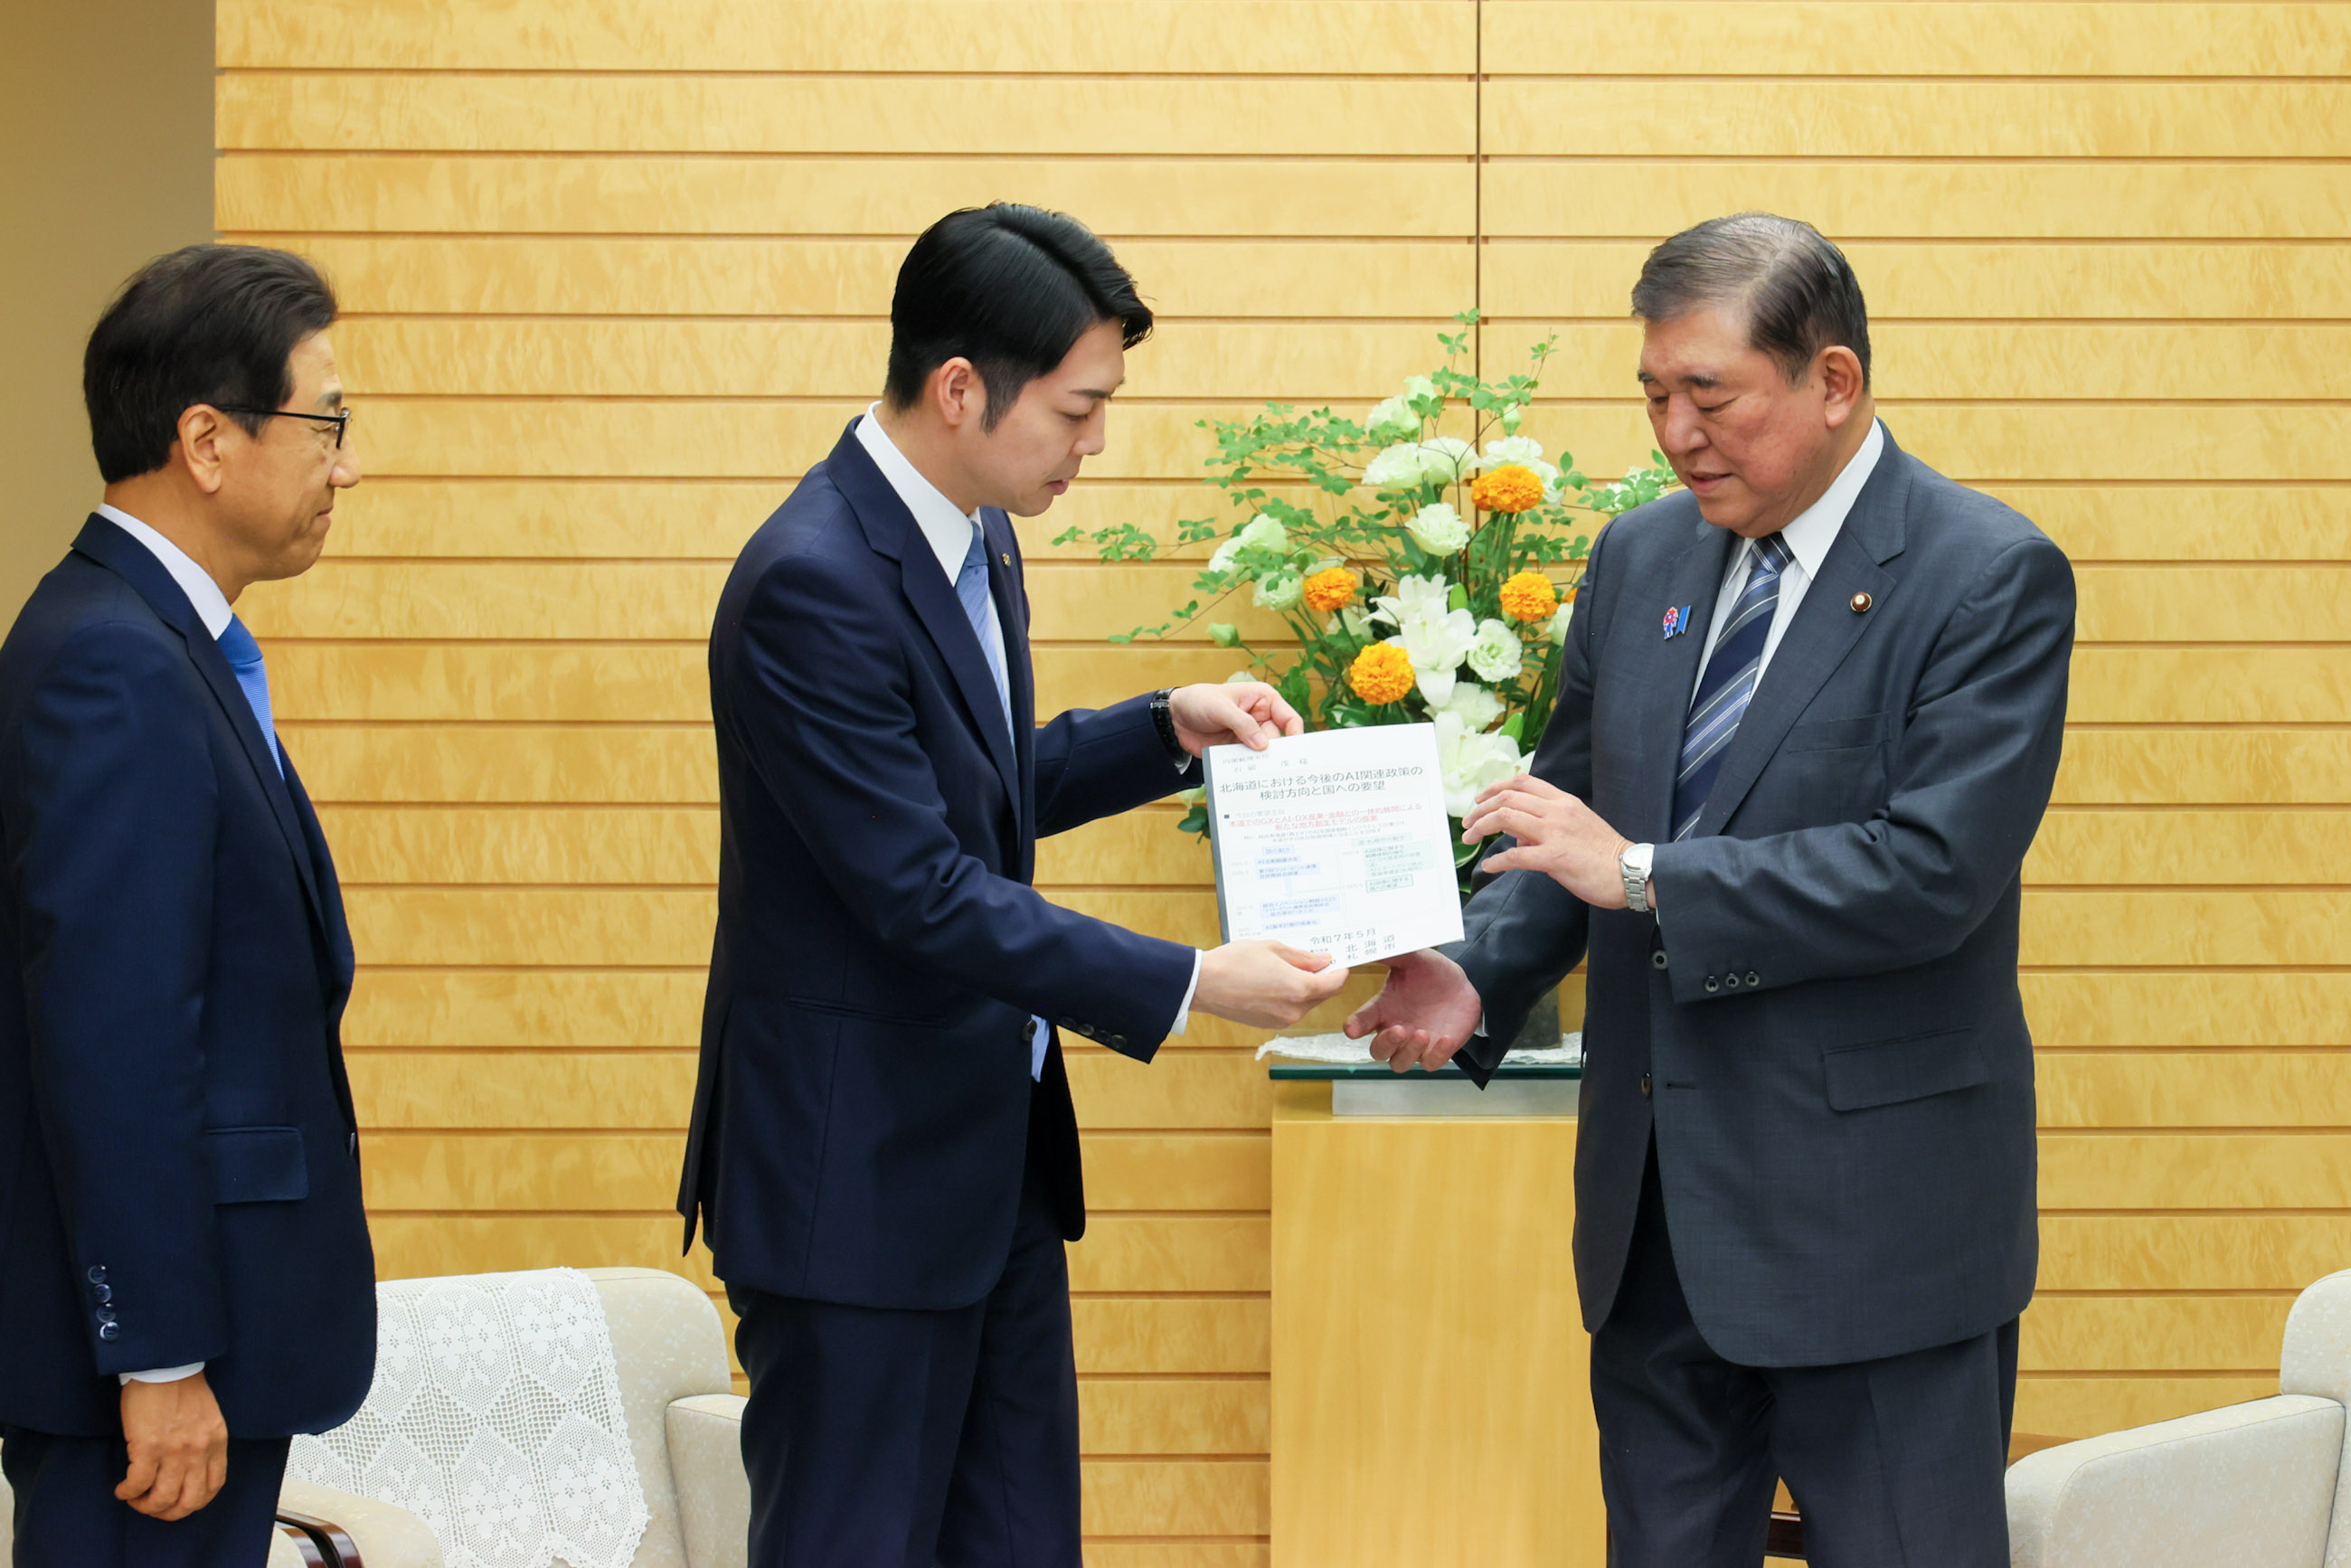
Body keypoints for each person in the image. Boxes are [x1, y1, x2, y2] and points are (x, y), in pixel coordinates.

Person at [1347, 213, 2075, 1566]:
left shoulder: (1986, 575)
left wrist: (1638, 873)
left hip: (1880, 1234)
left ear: (1835, 383)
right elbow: (1564, 825)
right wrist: (1481, 968)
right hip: (1658, 1226)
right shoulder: (1640, 560)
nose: (1676, 433)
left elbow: (1930, 875)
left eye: (1711, 397)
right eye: (1654, 395)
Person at [676, 203, 1350, 1566]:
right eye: (1080, 407)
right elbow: (919, 886)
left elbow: (975, 788)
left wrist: (1168, 724)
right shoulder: (810, 585)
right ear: (961, 389)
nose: (1096, 443)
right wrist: (1187, 982)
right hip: (851, 1192)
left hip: (991, 1173)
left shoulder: (976, 532)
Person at [0, 245, 375, 1565]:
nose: (347, 463)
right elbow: (115, 1037)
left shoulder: (164, 646)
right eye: (326, 422)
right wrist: (156, 1355)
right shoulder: (113, 665)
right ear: (207, 442)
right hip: (158, 1376)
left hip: (215, 1342)